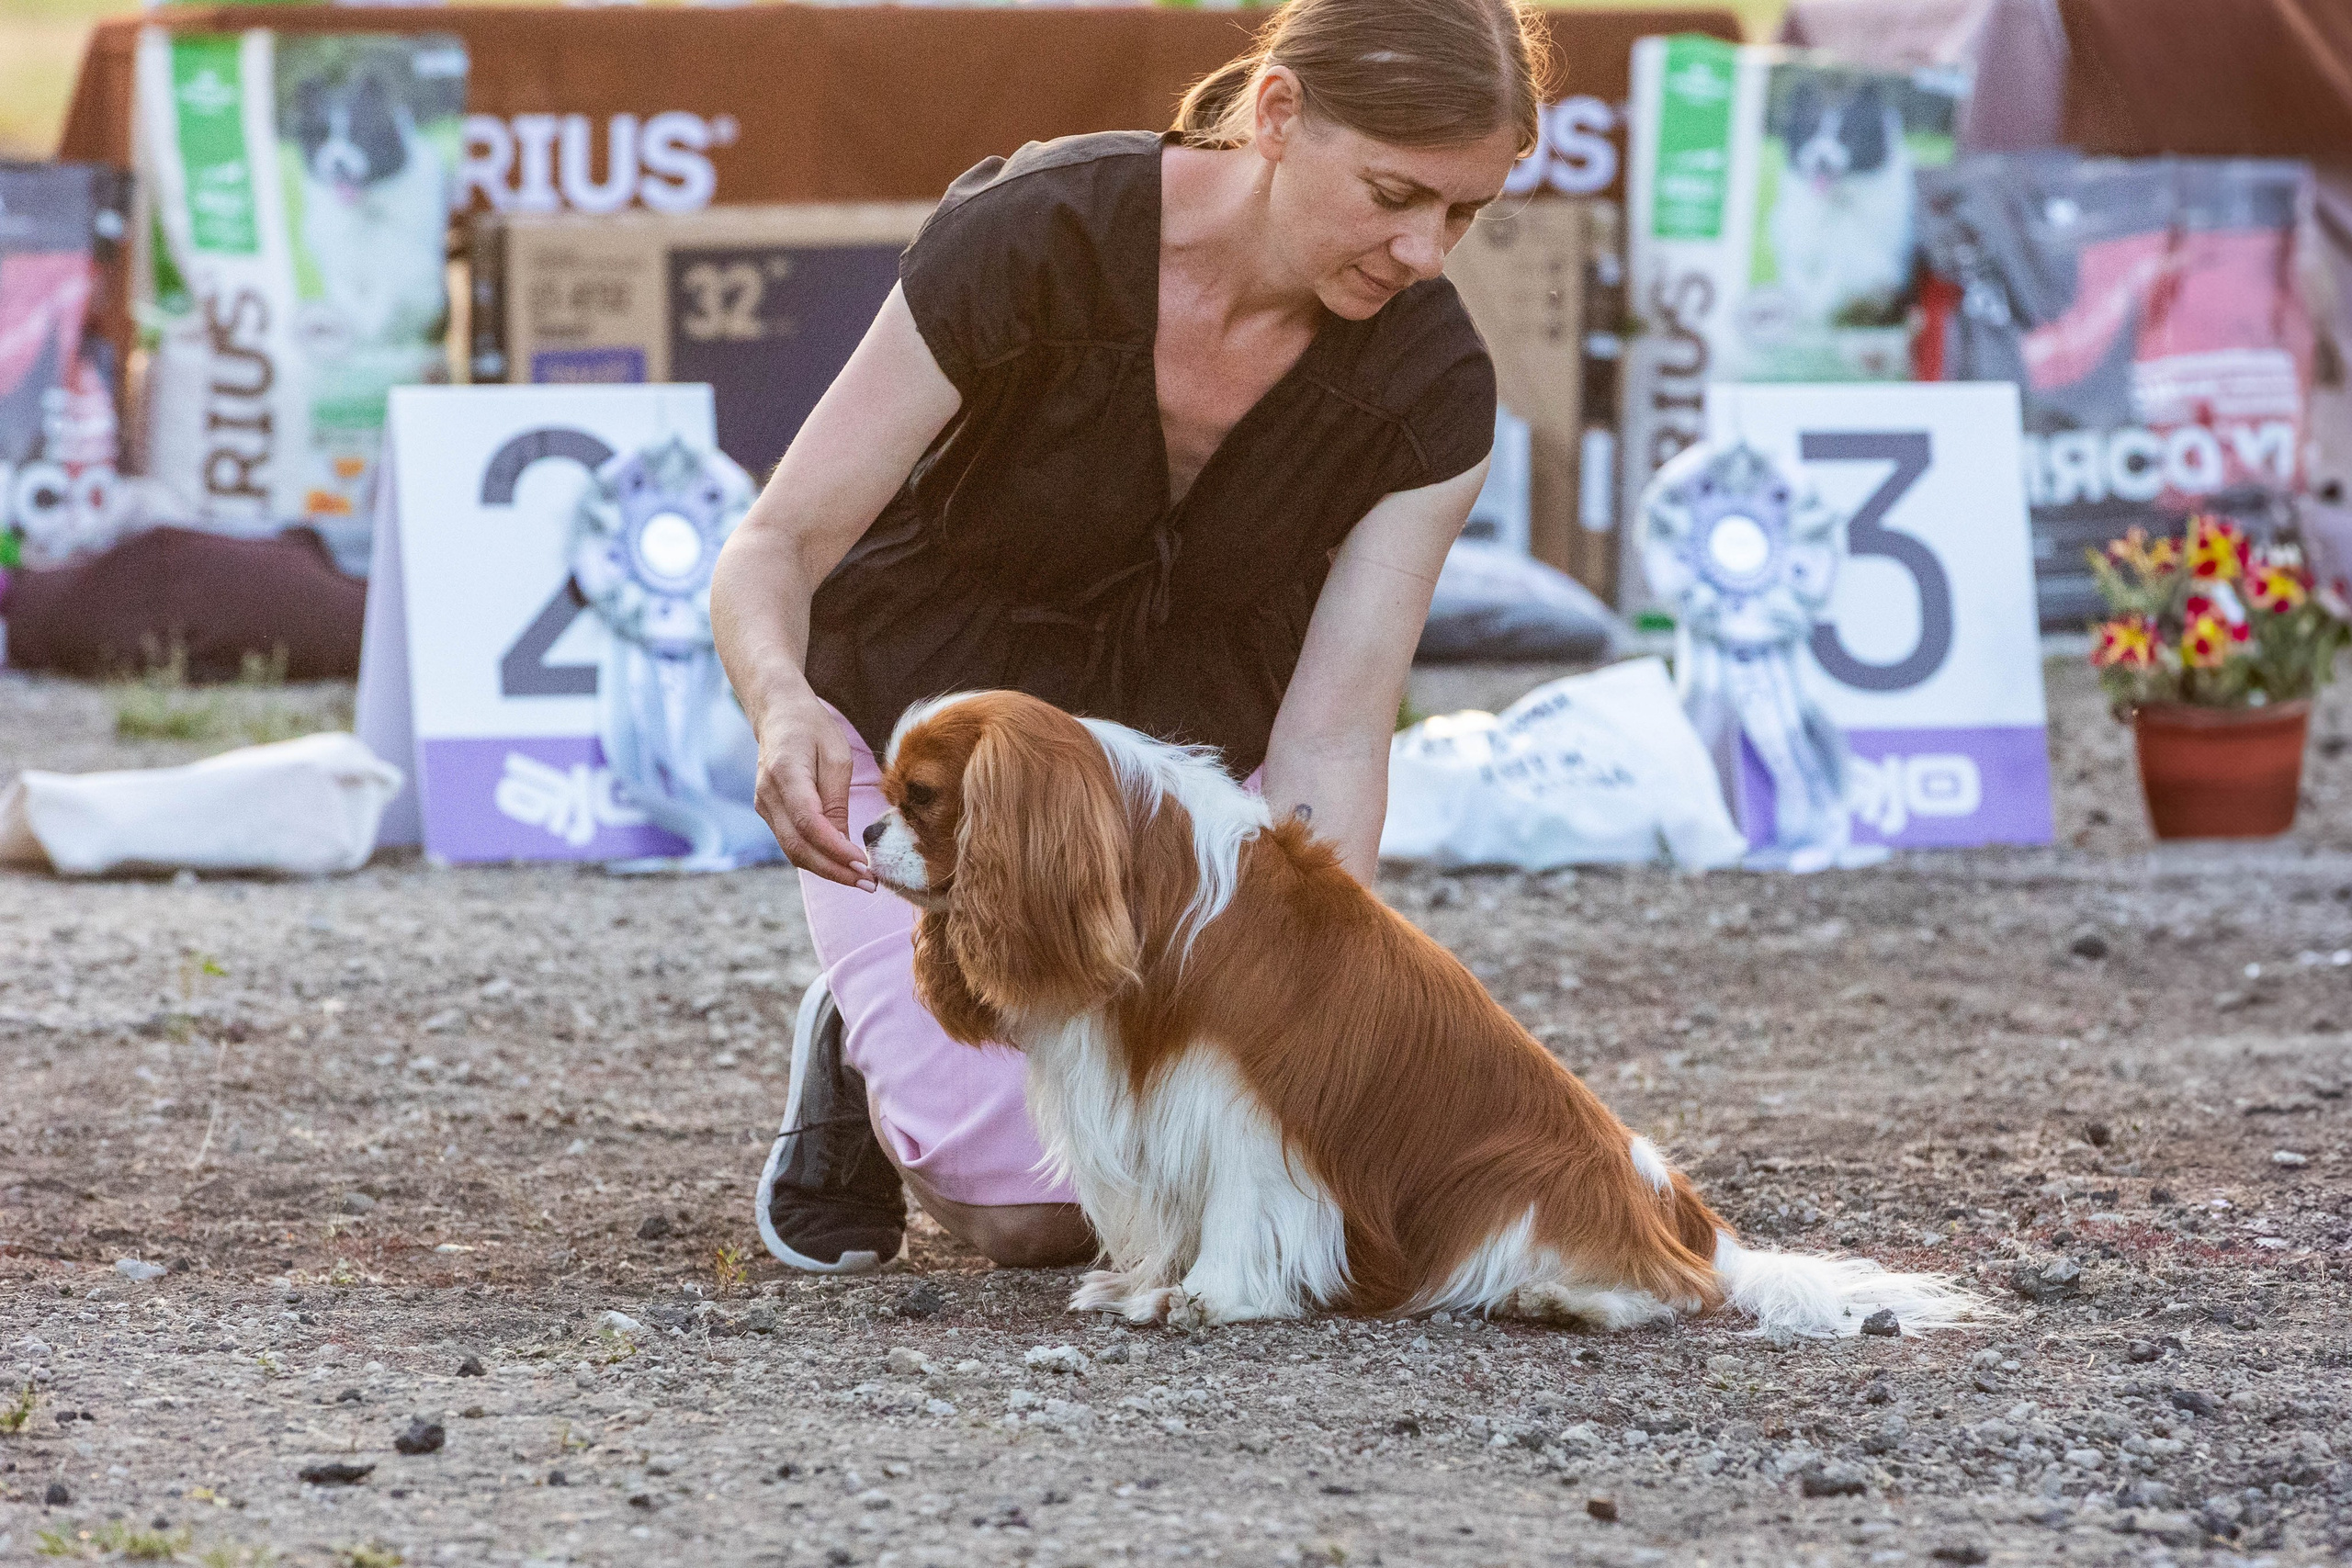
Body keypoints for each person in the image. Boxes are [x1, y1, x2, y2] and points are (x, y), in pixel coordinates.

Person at [711, 0, 1545, 1273]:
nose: (1426, 252)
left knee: (1160, 1188)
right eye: (1395, 194)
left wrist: (1312, 1018)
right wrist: (781, 706)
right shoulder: (1033, 235)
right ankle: (865, 1026)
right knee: (1025, 1219)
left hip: (1181, 803)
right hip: (939, 772)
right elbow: (778, 543)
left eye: (1465, 214)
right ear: (1276, 114)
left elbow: (1331, 733)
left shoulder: (1434, 390)